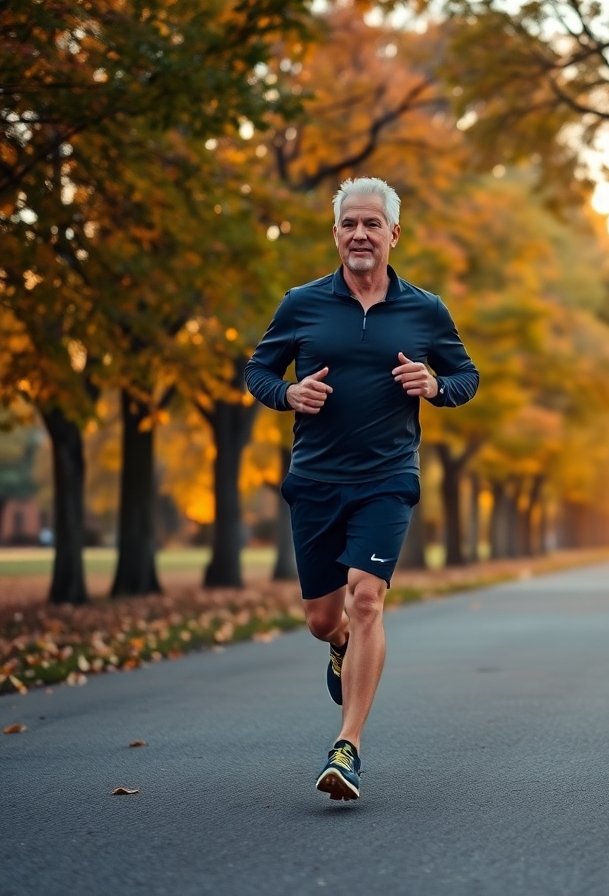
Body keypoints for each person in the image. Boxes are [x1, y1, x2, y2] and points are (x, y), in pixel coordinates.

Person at [244, 176, 479, 801]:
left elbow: (467, 376)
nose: (360, 234)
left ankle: (346, 748)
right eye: (350, 223)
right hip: (316, 479)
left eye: (373, 224)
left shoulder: (425, 310)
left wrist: (436, 385)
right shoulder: (302, 304)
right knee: (325, 619)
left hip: (387, 478)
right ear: (336, 233)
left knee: (367, 597)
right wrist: (288, 393)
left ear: (393, 234)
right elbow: (258, 371)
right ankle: (340, 645)